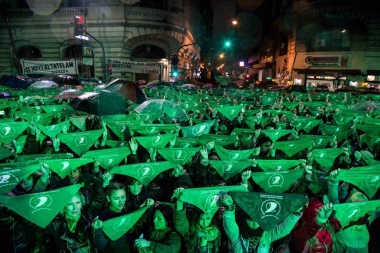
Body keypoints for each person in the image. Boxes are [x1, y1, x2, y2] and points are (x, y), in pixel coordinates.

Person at [222, 194, 302, 253]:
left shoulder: (266, 236)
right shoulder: (237, 237)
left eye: (258, 221)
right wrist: (230, 208)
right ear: (244, 220)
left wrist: (296, 212)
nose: (254, 224)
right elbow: (230, 225)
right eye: (250, 220)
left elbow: (284, 229)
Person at [93, 182, 154, 253]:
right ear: (108, 198)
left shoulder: (128, 207)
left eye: (123, 197)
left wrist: (147, 206)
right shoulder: (103, 217)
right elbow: (100, 246)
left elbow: (141, 223)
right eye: (116, 198)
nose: (121, 201)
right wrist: (97, 230)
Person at [172, 187, 221, 253]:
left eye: (207, 218)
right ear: (197, 218)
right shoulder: (191, 230)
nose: (204, 222)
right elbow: (180, 221)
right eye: (201, 219)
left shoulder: (216, 232)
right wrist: (180, 200)